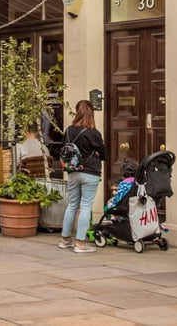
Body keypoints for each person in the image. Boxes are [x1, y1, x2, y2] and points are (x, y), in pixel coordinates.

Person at [58, 99, 107, 253]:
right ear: (91, 114)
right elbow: (104, 153)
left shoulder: (68, 130)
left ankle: (65, 239)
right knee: (86, 206)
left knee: (72, 205)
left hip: (73, 172)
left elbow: (63, 149)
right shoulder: (93, 133)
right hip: (90, 172)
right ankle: (80, 243)